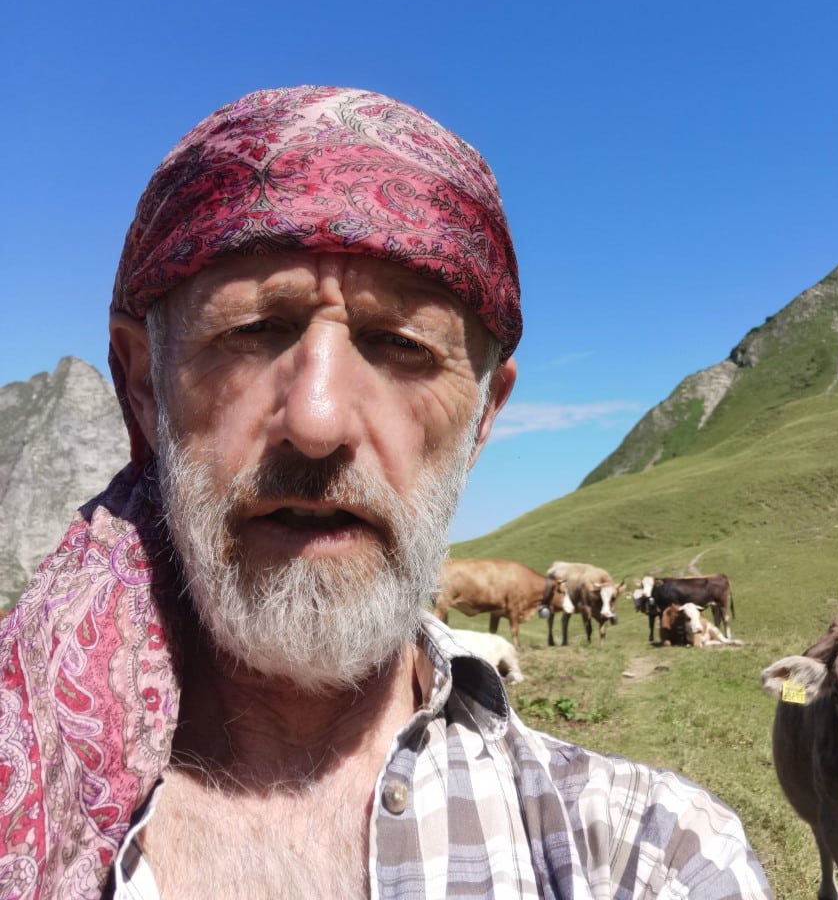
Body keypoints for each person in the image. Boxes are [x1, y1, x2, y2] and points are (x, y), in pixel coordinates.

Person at [0, 86, 773, 900]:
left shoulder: (646, 858)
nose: (317, 422)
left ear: (483, 416)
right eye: (253, 330)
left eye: (402, 345)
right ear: (143, 386)